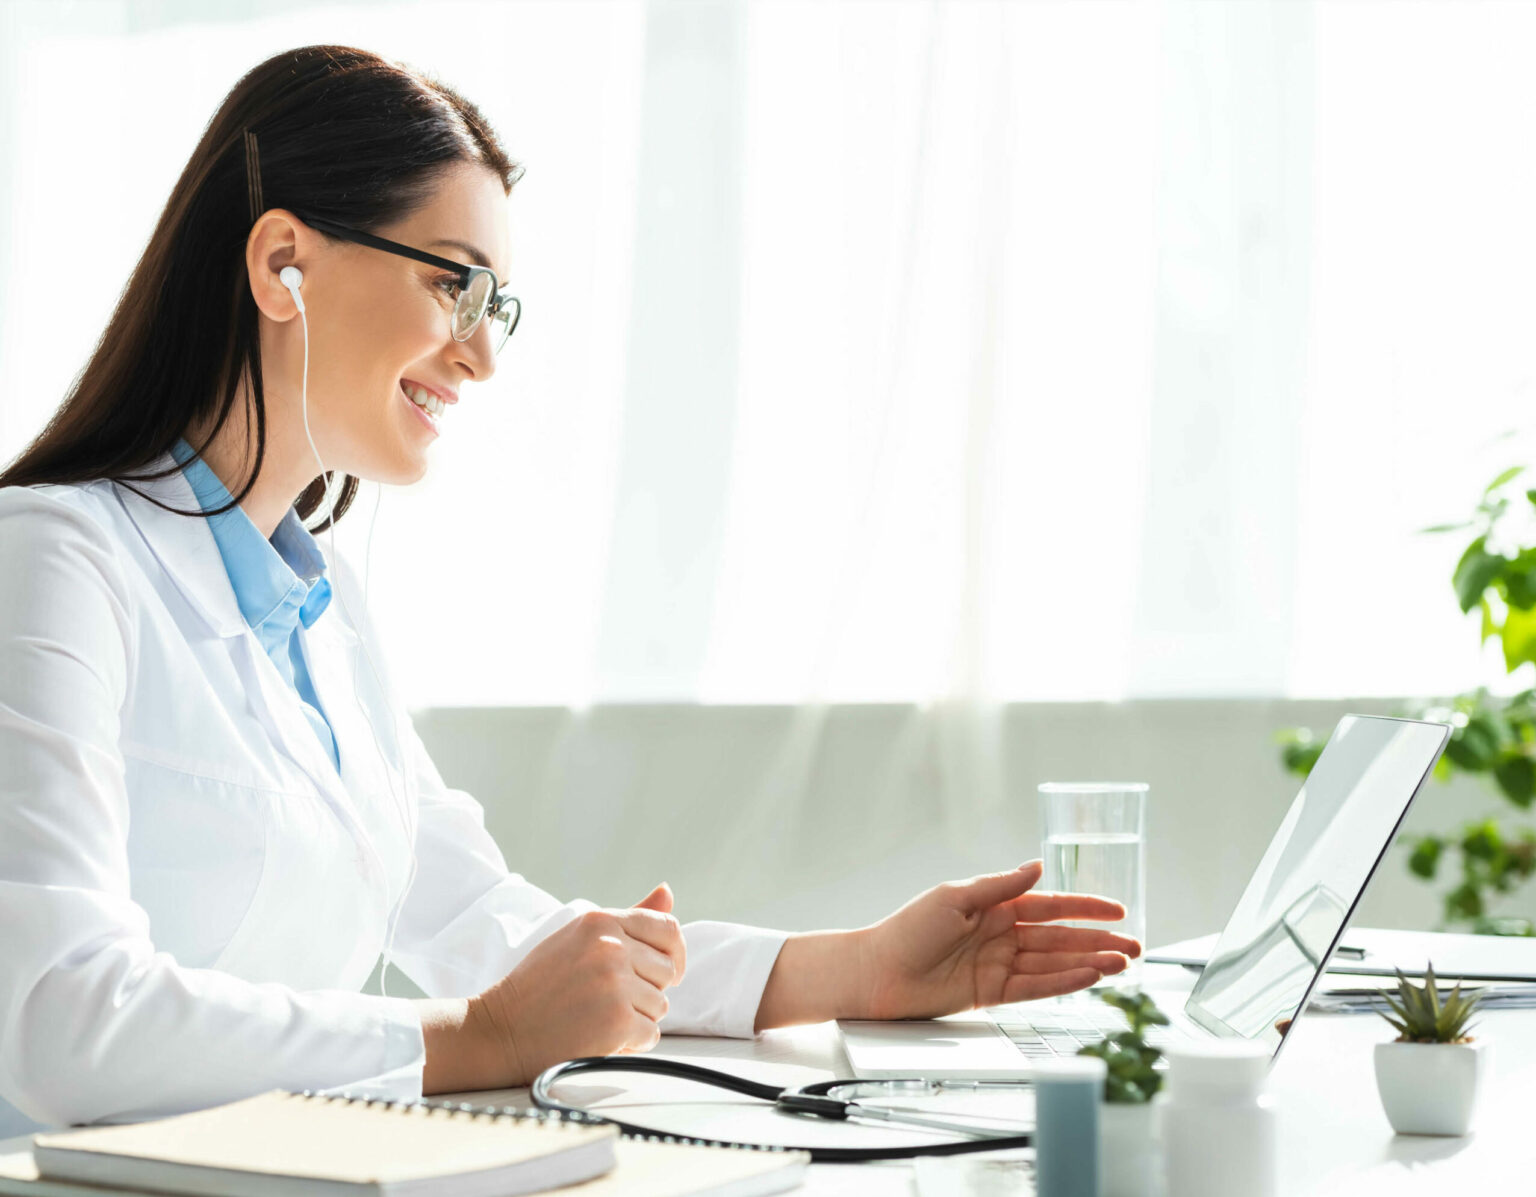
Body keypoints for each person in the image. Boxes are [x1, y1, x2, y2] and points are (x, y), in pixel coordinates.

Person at [0, 45, 1139, 1138]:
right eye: (456, 284)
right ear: (279, 263)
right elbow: (62, 1020)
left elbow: (479, 925)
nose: (481, 354)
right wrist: (479, 1037)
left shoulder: (321, 603)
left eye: (496, 305)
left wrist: (856, 970)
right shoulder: (55, 561)